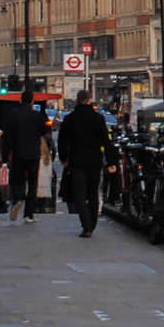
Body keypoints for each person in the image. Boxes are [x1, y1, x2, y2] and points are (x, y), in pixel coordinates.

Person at [57, 90, 111, 237]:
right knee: (93, 193)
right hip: (94, 160)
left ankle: (86, 225)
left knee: (79, 194)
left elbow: (62, 141)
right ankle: (92, 224)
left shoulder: (70, 119)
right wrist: (111, 162)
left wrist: (63, 158)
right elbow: (106, 141)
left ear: (77, 100)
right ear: (90, 100)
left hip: (76, 160)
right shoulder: (98, 118)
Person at [1, 90, 46, 223]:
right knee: (33, 184)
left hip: (18, 153)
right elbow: (44, 130)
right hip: (33, 153)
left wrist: (5, 157)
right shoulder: (37, 115)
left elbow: (7, 138)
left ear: (20, 100)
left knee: (17, 181)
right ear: (32, 100)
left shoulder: (13, 115)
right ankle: (29, 214)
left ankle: (18, 199)